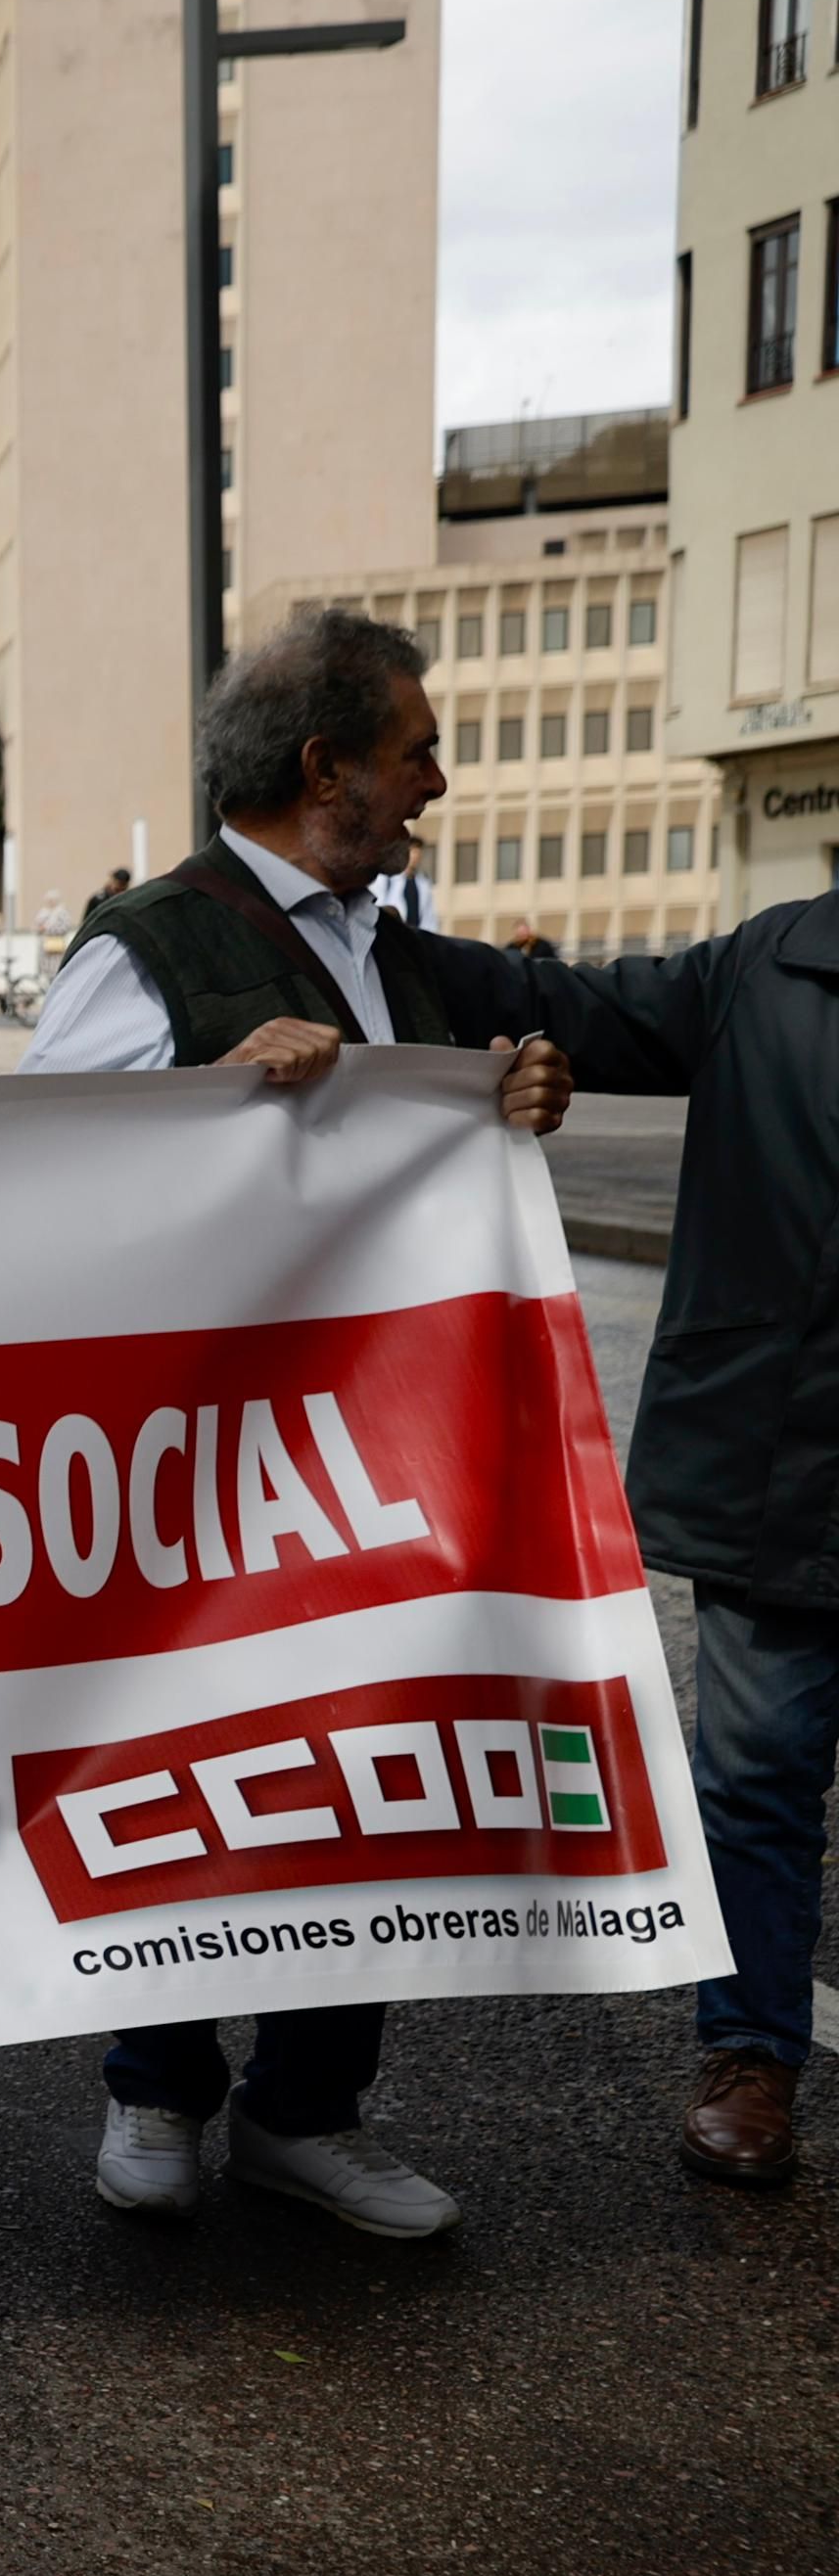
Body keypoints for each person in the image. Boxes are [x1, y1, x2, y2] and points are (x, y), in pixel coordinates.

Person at [22, 607, 576, 2241]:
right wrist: (204, 1095)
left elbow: (442, 1126)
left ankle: (308, 2107)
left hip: (376, 1452)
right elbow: (30, 1177)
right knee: (196, 1753)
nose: (439, 779)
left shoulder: (396, 946)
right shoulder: (148, 945)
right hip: (198, 1459)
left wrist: (510, 1092)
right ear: (328, 765)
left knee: (362, 1766)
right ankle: (158, 2080)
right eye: (415, 747)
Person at [479, 886, 839, 2187]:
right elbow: (566, 1005)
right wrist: (344, 949)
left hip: (770, 1451)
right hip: (779, 1453)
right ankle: (750, 2054)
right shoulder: (772, 963)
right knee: (757, 1770)